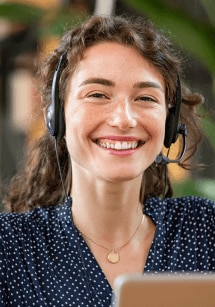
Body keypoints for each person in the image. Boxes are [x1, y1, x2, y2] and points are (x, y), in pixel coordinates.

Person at [0, 14, 214, 306]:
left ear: (169, 120)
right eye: (98, 94)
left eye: (145, 98)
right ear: (57, 116)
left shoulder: (204, 229)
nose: (123, 119)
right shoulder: (11, 247)